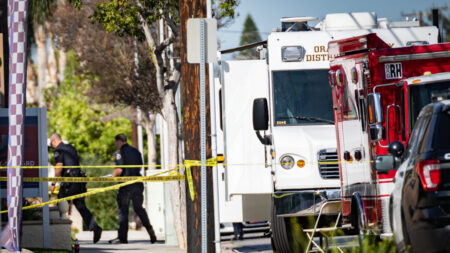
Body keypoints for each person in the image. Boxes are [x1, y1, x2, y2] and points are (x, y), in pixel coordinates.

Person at [49, 133, 102, 243]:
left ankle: (62, 236)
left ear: (54, 141)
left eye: (51, 144)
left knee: (61, 204)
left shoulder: (59, 150)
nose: (52, 146)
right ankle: (95, 227)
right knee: (81, 205)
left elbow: (59, 167)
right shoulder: (71, 148)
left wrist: (53, 183)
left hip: (69, 182)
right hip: (79, 181)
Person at [108, 134, 157, 244]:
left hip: (126, 185)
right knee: (139, 209)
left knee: (123, 211)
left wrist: (112, 178)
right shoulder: (136, 151)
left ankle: (123, 238)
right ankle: (150, 231)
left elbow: (119, 170)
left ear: (120, 141)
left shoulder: (120, 153)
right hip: (137, 184)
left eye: (116, 142)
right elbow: (139, 166)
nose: (116, 144)